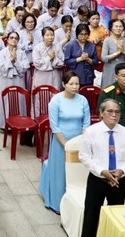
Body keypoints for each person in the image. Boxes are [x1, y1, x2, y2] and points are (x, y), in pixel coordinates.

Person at [79, 99, 125, 237]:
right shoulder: (91, 132)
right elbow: (84, 156)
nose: (114, 115)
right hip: (97, 180)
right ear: (101, 113)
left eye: (117, 112)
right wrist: (101, 171)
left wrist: (121, 170)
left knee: (116, 217)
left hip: (118, 181)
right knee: (91, 216)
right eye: (110, 111)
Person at [39, 71, 90, 214]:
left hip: (78, 141)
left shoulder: (82, 100)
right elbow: (54, 126)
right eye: (71, 83)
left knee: (76, 172)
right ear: (64, 84)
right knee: (60, 172)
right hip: (60, 140)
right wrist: (66, 145)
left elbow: (86, 123)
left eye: (77, 84)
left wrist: (80, 142)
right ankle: (57, 202)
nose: (75, 87)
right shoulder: (56, 101)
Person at [0, 31, 30, 130]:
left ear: (18, 41)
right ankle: (3, 125)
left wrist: (16, 61)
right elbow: (0, 67)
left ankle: (19, 124)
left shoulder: (22, 53)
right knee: (5, 101)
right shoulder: (3, 52)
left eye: (16, 38)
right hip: (5, 81)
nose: (13, 40)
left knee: (18, 101)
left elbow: (25, 67)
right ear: (7, 39)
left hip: (18, 80)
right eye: (11, 37)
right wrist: (10, 60)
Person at [100, 19, 125, 87]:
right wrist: (117, 53)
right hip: (110, 70)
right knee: (109, 90)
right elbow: (103, 58)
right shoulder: (107, 41)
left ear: (123, 28)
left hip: (124, 70)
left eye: (120, 26)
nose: (118, 28)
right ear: (111, 28)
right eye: (116, 26)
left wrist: (124, 52)